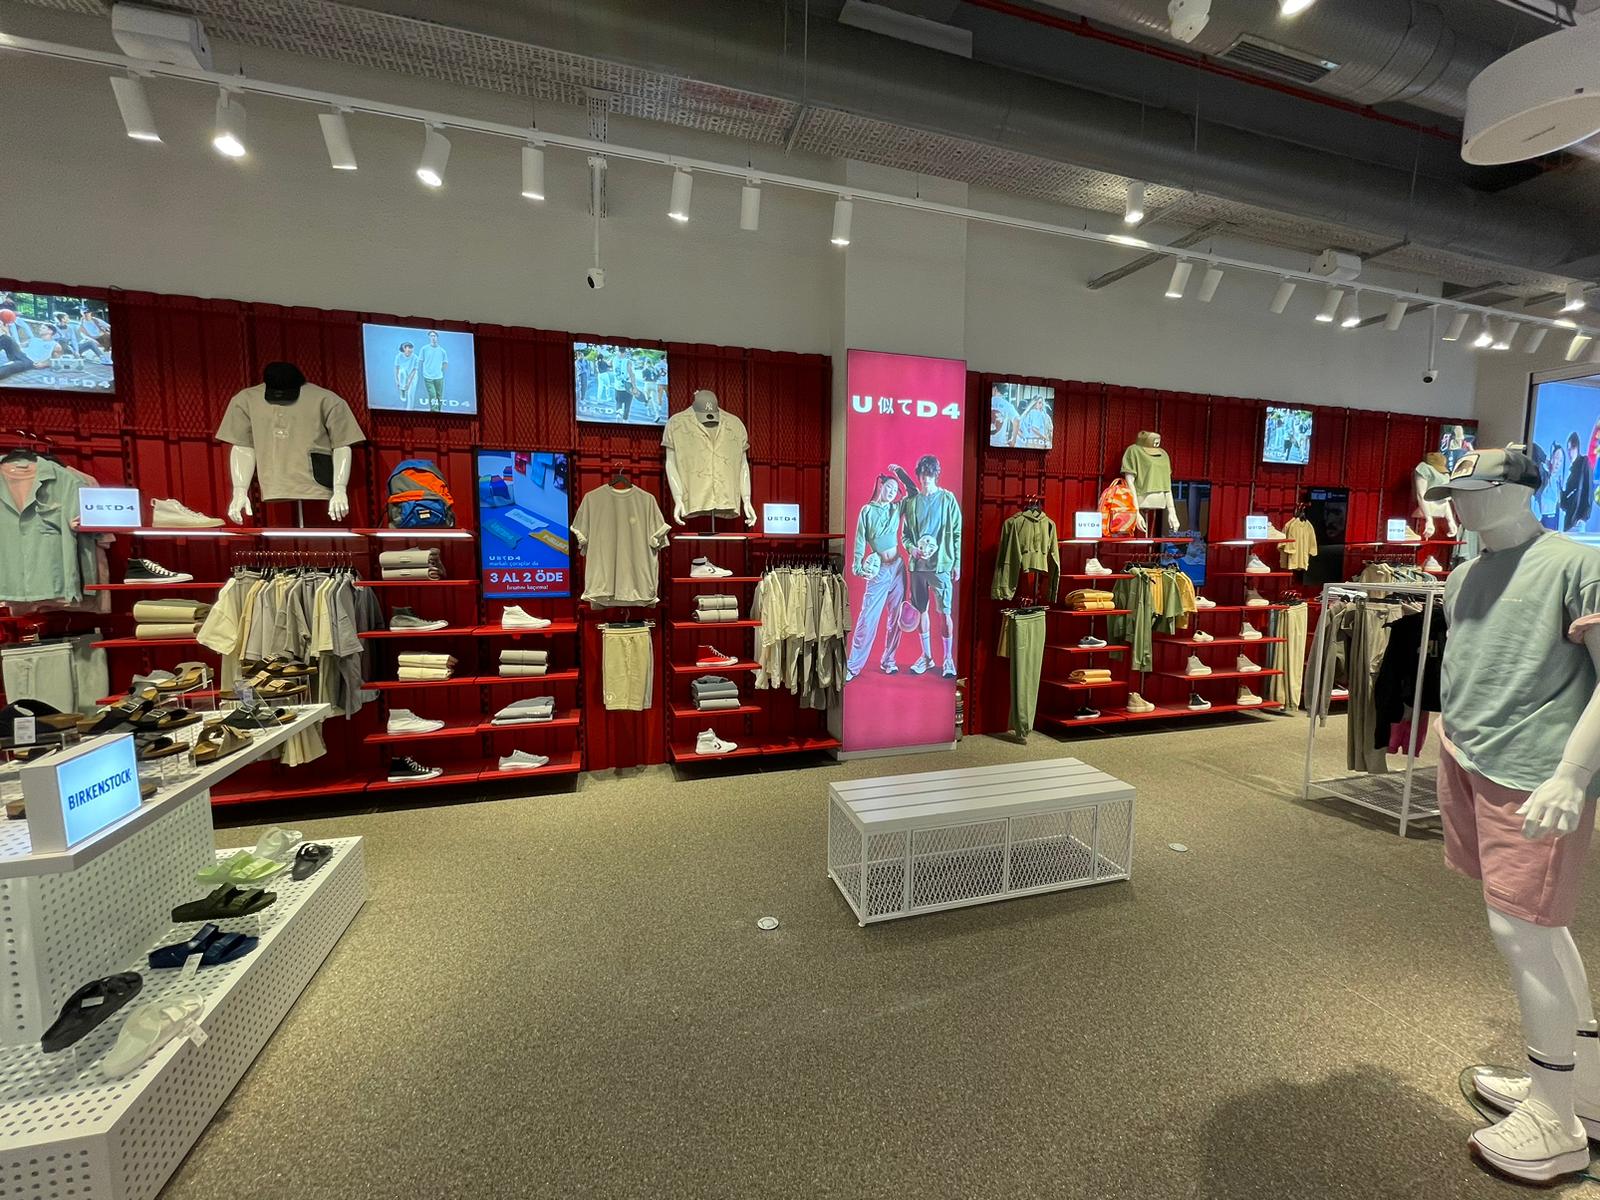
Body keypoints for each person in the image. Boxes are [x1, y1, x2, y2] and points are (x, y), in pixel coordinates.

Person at [901, 454, 962, 678]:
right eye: (922, 474)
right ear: (918, 475)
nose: (925, 478)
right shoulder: (912, 503)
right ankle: (927, 657)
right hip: (918, 567)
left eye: (929, 474)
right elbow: (905, 536)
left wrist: (957, 562)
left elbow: (957, 532)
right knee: (920, 611)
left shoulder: (947, 499)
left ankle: (947, 659)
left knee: (945, 612)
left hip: (941, 565)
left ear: (936, 475)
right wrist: (912, 549)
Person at [845, 472, 908, 682]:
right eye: (888, 487)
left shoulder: (896, 508)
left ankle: (888, 660)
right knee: (867, 619)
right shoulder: (867, 511)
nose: (891, 492)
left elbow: (913, 491)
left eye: (895, 490)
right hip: (878, 570)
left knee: (896, 617)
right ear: (881, 486)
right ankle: (853, 666)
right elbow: (860, 540)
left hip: (898, 568)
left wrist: (900, 474)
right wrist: (857, 566)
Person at [1561, 431, 1593, 533]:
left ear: (1577, 448)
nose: (1569, 452)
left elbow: (1589, 491)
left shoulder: (1584, 462)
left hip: (1578, 520)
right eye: (1568, 449)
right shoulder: (1571, 471)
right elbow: (1565, 503)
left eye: (1572, 448)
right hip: (1569, 519)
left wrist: (1584, 517)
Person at [417, 330, 448, 411]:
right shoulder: (424, 349)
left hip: (439, 377)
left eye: (434, 336)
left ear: (437, 337)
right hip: (428, 377)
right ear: (429, 337)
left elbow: (445, 363)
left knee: (439, 396)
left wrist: (440, 371)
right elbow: (420, 361)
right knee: (433, 395)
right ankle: (435, 412)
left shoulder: (442, 351)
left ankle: (438, 411)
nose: (433, 337)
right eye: (431, 336)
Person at [393, 341, 419, 410]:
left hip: (412, 376)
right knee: (402, 371)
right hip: (403, 375)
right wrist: (397, 381)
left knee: (411, 394)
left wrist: (408, 383)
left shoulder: (415, 358)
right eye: (409, 348)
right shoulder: (398, 356)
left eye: (411, 348)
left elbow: (414, 371)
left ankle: (409, 409)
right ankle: (403, 390)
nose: (411, 350)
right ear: (404, 348)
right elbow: (396, 369)